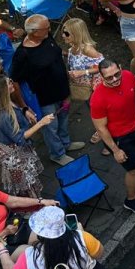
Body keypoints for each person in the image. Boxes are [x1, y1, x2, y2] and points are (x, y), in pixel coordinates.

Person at [9, 14, 82, 166]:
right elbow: (14, 80)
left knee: (63, 118)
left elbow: (56, 52)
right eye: (46, 28)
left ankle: (65, 143)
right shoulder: (23, 54)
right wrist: (23, 106)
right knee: (51, 127)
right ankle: (57, 154)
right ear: (34, 32)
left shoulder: (46, 38)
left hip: (62, 90)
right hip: (44, 98)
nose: (50, 29)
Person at [89, 59, 135, 215]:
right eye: (109, 77)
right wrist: (115, 150)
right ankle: (131, 199)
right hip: (120, 137)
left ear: (121, 68)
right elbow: (100, 128)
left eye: (117, 74)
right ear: (101, 77)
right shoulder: (98, 99)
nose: (115, 79)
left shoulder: (127, 76)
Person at [0, 205, 108, 269]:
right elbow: (99, 253)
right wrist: (81, 232)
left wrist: (2, 251)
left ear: (39, 233)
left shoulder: (30, 256)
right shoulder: (81, 236)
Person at [0, 75, 52, 197]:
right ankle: (32, 207)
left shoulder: (6, 102)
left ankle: (35, 201)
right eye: (9, 83)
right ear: (3, 91)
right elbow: (19, 138)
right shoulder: (3, 116)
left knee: (28, 177)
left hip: (14, 148)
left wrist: (25, 110)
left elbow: (17, 110)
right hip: (12, 152)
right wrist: (42, 122)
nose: (12, 84)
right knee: (25, 181)